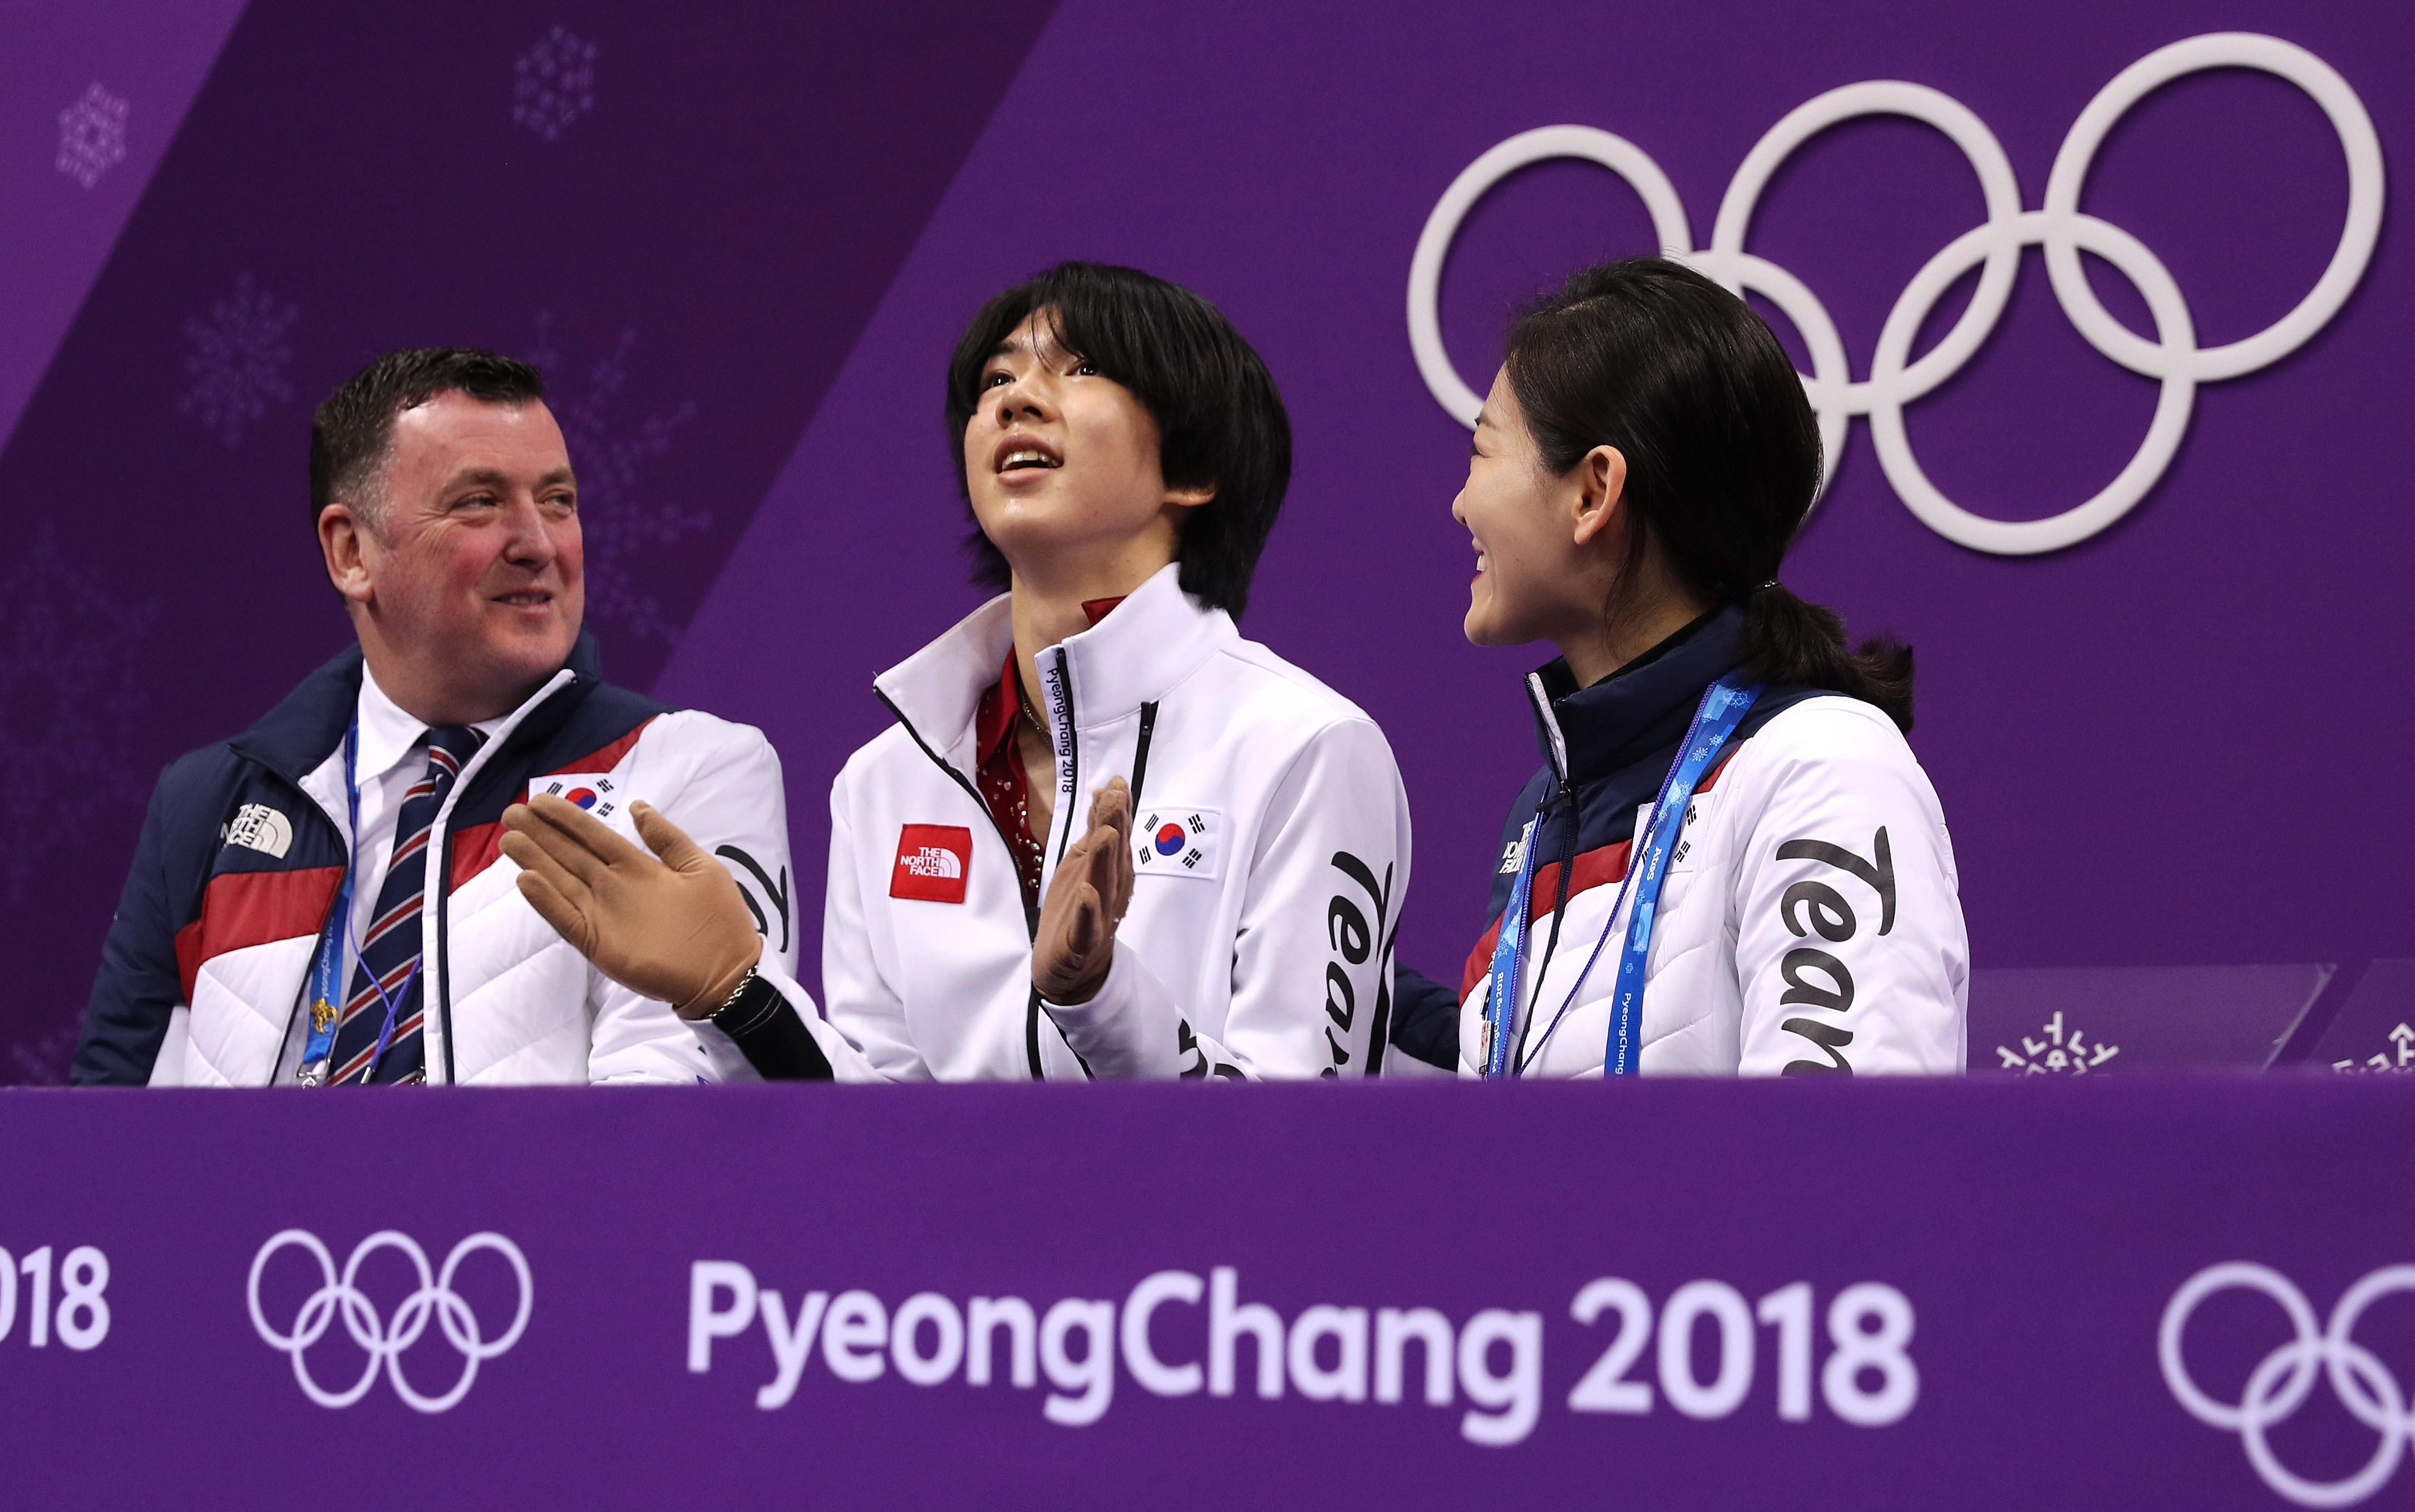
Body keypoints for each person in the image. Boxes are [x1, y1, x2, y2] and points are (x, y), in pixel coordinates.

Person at [502, 261, 1413, 1080]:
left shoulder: (1307, 749)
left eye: (1081, 369)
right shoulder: (884, 782)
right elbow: (878, 1137)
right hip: (948, 1234)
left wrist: (1100, 998)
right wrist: (735, 991)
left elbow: (1301, 1143)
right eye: (996, 380)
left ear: (1196, 466)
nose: (1018, 400)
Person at [71, 348, 798, 1086]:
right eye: (480, 501)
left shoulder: (682, 773)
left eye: (558, 500)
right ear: (352, 552)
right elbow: (100, 1135)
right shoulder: (208, 805)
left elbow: (674, 1124)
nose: (539, 544)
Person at [1388, 256, 1966, 1078]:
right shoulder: (1547, 806)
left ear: (1593, 493)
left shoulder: (1824, 766)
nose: (1460, 502)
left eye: (1483, 452)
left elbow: (1844, 1140)